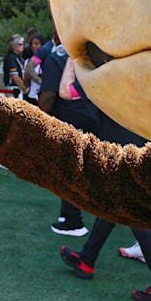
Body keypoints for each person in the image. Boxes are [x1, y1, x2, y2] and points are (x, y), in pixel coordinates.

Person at [59, 109, 151, 301]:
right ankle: (87, 259)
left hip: (126, 152)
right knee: (112, 208)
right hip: (135, 148)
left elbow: (68, 92)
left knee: (131, 215)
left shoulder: (108, 79)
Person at [39, 37, 98, 237]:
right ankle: (69, 213)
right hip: (92, 117)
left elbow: (48, 97)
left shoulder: (59, 55)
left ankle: (74, 221)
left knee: (68, 170)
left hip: (70, 118)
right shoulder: (91, 52)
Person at [22, 34, 45, 106]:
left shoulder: (48, 60)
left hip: (44, 96)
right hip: (32, 96)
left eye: (36, 44)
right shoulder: (28, 61)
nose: (33, 46)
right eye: (32, 44)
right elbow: (25, 81)